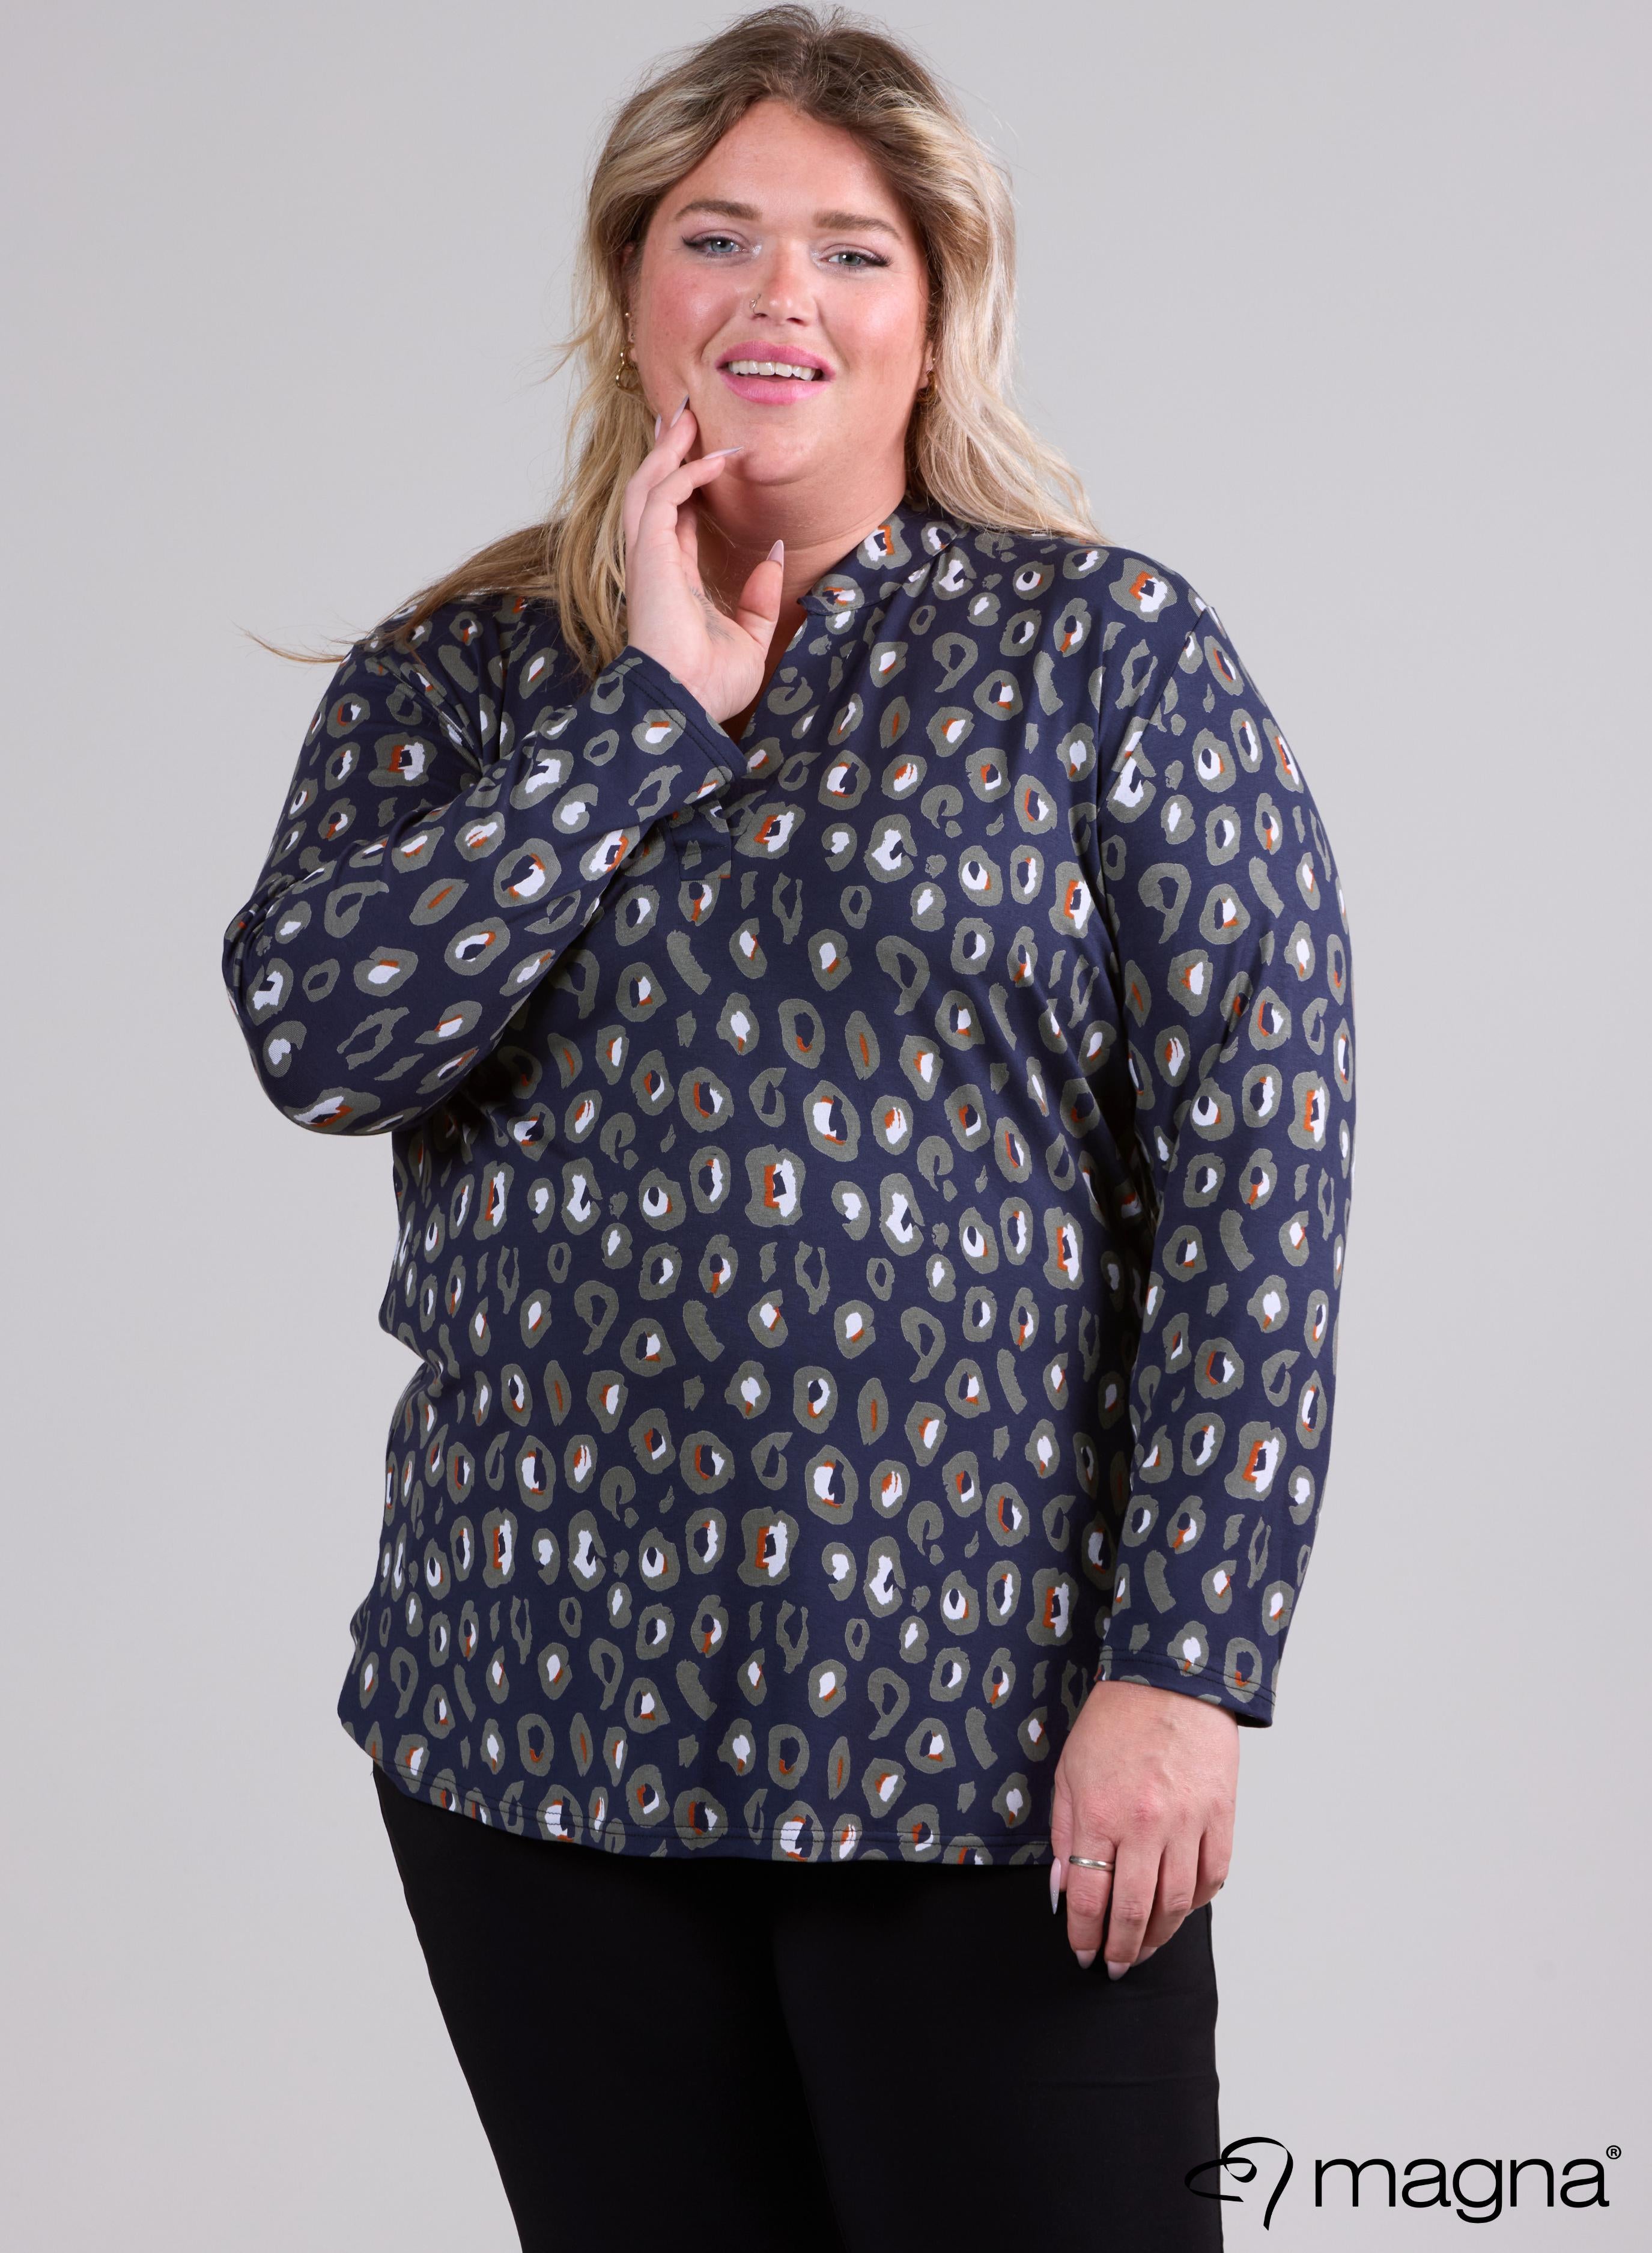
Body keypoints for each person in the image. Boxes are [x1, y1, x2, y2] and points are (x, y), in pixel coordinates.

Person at [222, 7, 1355, 2246]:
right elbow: (325, 1038)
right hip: (538, 1727)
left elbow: (1265, 1173)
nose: (780, 298)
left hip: (988, 1738)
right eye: (717, 236)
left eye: (851, 250)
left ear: (938, 309)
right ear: (630, 280)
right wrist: (644, 720)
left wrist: (1186, 1662)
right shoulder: (457, 679)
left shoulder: (1105, 655)